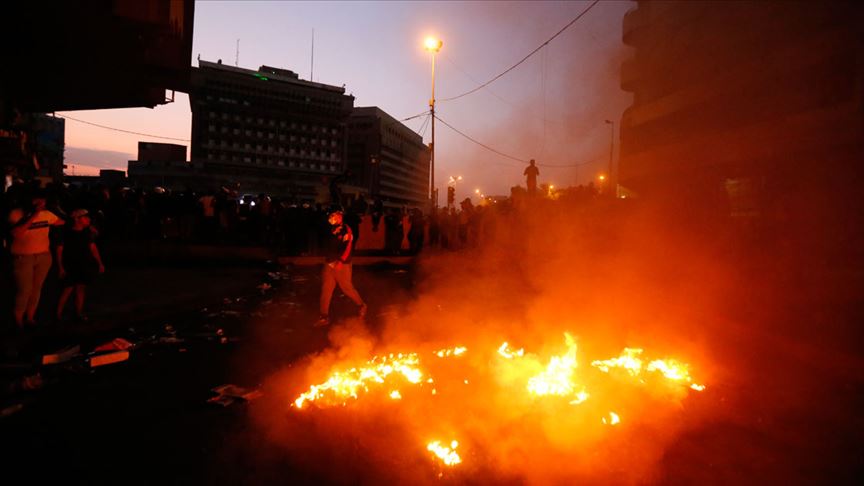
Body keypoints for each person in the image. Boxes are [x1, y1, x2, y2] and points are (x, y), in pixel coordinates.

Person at [7, 190, 66, 327]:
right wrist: (34, 214)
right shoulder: (17, 214)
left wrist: (56, 209)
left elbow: (62, 221)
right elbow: (16, 233)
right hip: (24, 257)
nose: (41, 204)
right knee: (24, 290)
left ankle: (30, 317)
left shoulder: (47, 215)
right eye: (37, 201)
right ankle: (18, 319)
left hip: (43, 256)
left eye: (43, 201)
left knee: (36, 288)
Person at [316, 209, 366, 326]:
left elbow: (348, 247)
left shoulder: (346, 230)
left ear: (339, 216)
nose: (331, 217)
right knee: (326, 289)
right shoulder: (330, 229)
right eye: (330, 215)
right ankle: (324, 316)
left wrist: (341, 261)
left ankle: (361, 305)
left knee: (346, 288)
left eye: (333, 215)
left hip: (342, 264)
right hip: (329, 263)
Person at [55, 209, 105, 322]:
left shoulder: (87, 232)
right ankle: (57, 314)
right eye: (85, 217)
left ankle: (78, 313)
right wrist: (60, 266)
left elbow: (92, 247)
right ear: (77, 219)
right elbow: (59, 249)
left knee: (81, 288)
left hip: (84, 263)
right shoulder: (66, 232)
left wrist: (99, 262)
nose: (88, 219)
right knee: (67, 289)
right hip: (70, 264)